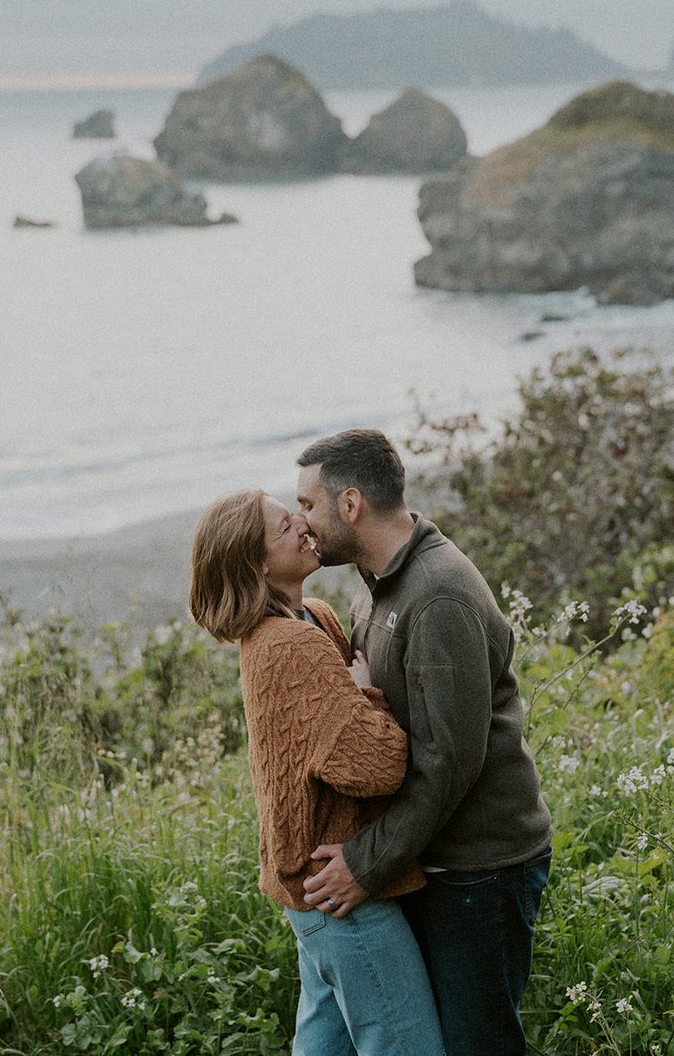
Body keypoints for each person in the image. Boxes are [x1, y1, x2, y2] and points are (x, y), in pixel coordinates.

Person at [295, 429, 553, 1056]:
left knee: (477, 1045)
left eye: (307, 505)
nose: (302, 523)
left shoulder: (437, 594)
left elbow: (449, 760)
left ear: (350, 504)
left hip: (478, 870)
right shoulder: (378, 580)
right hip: (431, 859)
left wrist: (366, 861)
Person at [188, 488, 444, 1056]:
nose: (305, 525)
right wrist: (366, 694)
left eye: (297, 512)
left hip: (314, 886)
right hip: (340, 891)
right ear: (257, 563)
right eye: (286, 526)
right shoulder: (286, 646)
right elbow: (376, 766)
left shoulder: (314, 617)